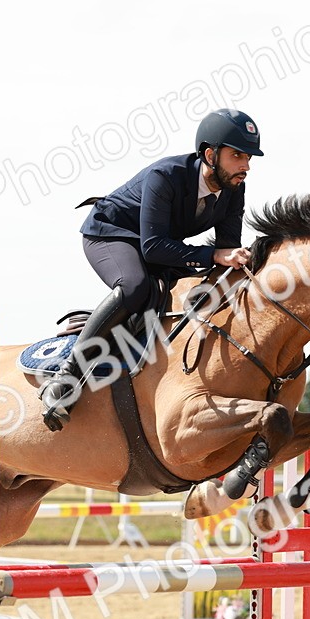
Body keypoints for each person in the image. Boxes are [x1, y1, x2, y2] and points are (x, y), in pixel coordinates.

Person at [38, 108, 263, 431]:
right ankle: (66, 377)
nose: (246, 166)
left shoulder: (234, 189)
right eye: (237, 156)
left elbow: (224, 253)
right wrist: (214, 255)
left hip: (156, 244)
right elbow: (154, 248)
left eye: (249, 157)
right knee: (135, 287)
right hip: (110, 235)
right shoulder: (166, 176)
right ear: (210, 155)